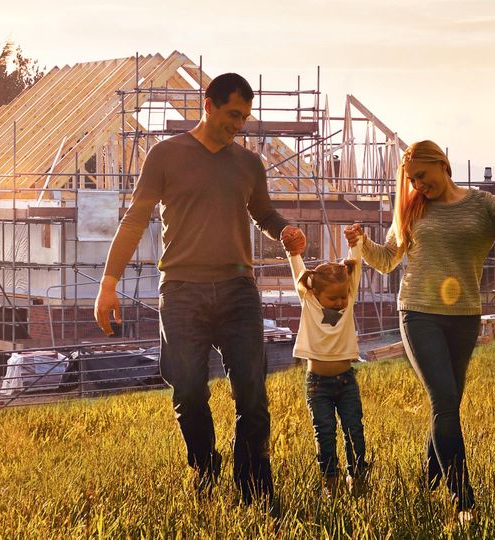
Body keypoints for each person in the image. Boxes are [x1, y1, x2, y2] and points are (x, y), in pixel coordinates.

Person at [93, 72, 305, 511]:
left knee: (251, 391)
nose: (239, 125)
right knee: (188, 390)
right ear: (207, 105)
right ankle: (205, 468)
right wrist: (108, 284)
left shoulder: (248, 164)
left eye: (245, 117)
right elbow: (135, 219)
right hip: (182, 289)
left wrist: (285, 230)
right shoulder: (166, 155)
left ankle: (254, 491)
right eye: (232, 114)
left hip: (237, 290)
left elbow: (263, 212)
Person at [344, 140, 495, 522]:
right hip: (418, 313)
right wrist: (362, 243)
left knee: (450, 402)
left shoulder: (482, 205)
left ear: (442, 164)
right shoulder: (412, 208)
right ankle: (464, 503)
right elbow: (388, 260)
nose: (418, 186)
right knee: (443, 399)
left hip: (464, 317)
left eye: (422, 176)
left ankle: (427, 484)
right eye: (412, 180)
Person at [283, 229, 370, 497]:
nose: (341, 302)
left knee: (354, 429)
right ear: (315, 294)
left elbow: (354, 264)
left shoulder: (348, 300)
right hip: (317, 385)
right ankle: (330, 483)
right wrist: (293, 252)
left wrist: (356, 243)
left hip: (346, 381)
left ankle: (357, 479)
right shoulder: (308, 302)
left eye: (344, 296)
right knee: (325, 434)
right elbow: (296, 265)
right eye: (333, 298)